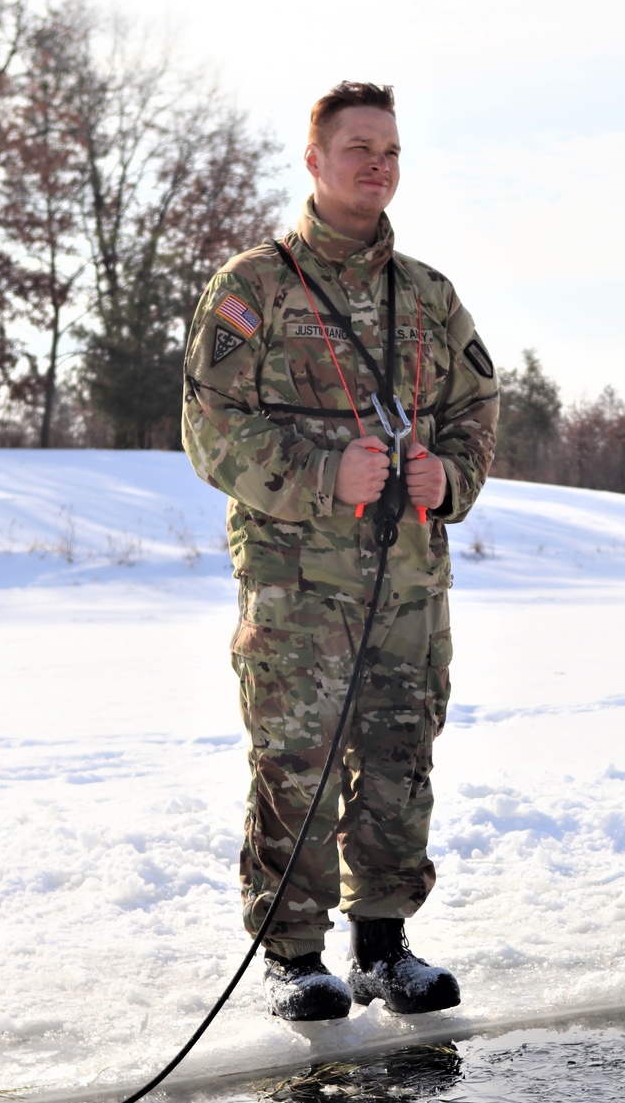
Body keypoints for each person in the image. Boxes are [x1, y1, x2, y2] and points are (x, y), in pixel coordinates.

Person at [182, 81, 498, 1023]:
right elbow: (209, 428)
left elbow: (478, 408)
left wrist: (451, 475)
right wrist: (326, 476)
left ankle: (385, 946)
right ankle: (293, 955)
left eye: (392, 151)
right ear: (314, 159)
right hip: (297, 585)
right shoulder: (254, 287)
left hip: (408, 579)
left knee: (402, 753)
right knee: (297, 760)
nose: (378, 165)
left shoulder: (430, 296)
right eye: (359, 147)